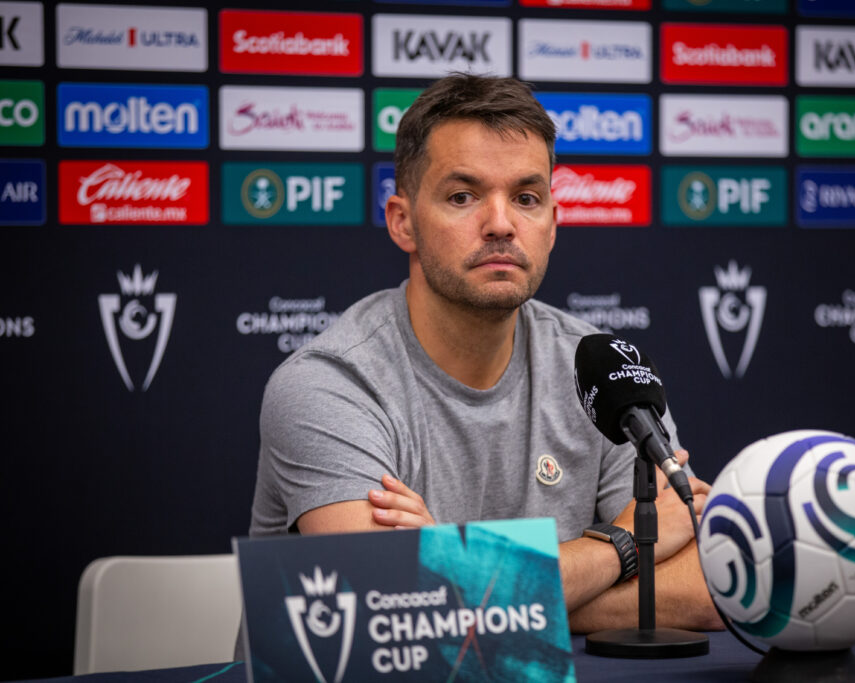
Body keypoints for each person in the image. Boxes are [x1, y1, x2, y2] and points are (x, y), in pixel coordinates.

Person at [248, 73, 721, 633]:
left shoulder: (606, 371)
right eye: (463, 196)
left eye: (526, 197)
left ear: (552, 224)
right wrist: (618, 548)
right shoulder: (330, 385)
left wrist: (459, 574)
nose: (500, 224)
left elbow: (706, 586)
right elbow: (390, 601)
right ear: (403, 222)